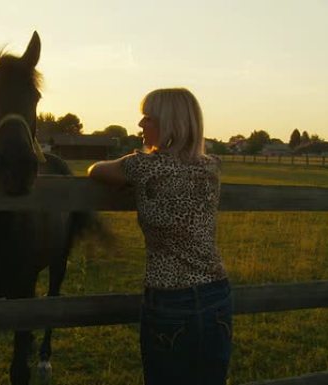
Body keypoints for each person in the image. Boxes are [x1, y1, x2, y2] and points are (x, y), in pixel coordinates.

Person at [87, 88, 232, 385]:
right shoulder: (211, 166)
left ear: (170, 123)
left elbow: (95, 170)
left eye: (148, 118)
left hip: (170, 298)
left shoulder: (142, 166)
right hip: (217, 293)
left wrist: (134, 161)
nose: (140, 125)